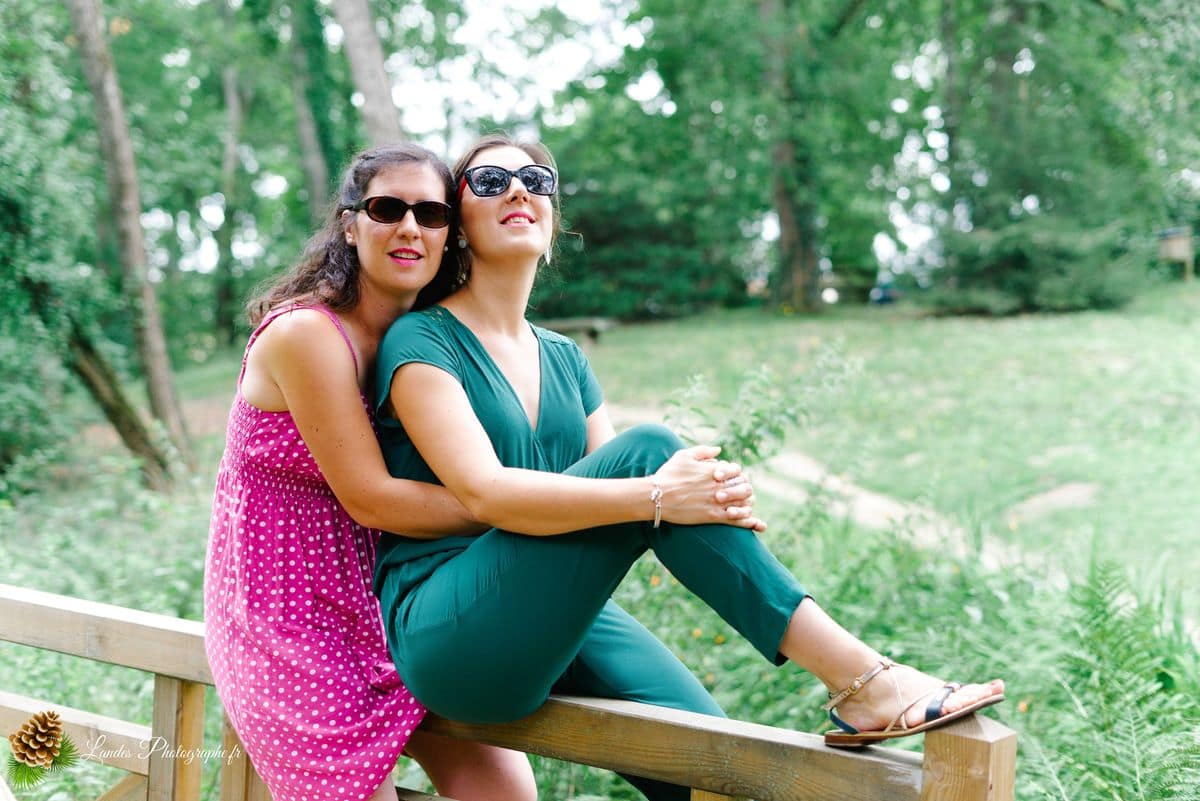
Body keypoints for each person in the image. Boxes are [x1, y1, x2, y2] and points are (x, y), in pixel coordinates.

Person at [372, 134, 1005, 799]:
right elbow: (486, 493)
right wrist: (664, 493)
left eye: (536, 179)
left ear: (553, 222)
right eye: (489, 181)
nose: (517, 189)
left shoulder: (565, 359)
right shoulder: (421, 339)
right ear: (458, 225)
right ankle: (865, 680)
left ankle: (862, 686)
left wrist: (707, 497)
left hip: (555, 611)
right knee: (652, 454)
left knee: (722, 772)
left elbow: (615, 507)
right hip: (448, 629)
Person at [203, 143, 537, 801]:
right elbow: (373, 499)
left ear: (450, 234)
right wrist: (522, 507)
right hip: (286, 627)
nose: (410, 227)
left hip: (390, 608)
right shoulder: (307, 333)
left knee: (506, 792)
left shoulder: (429, 338)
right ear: (351, 225)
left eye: (431, 214)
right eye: (387, 209)